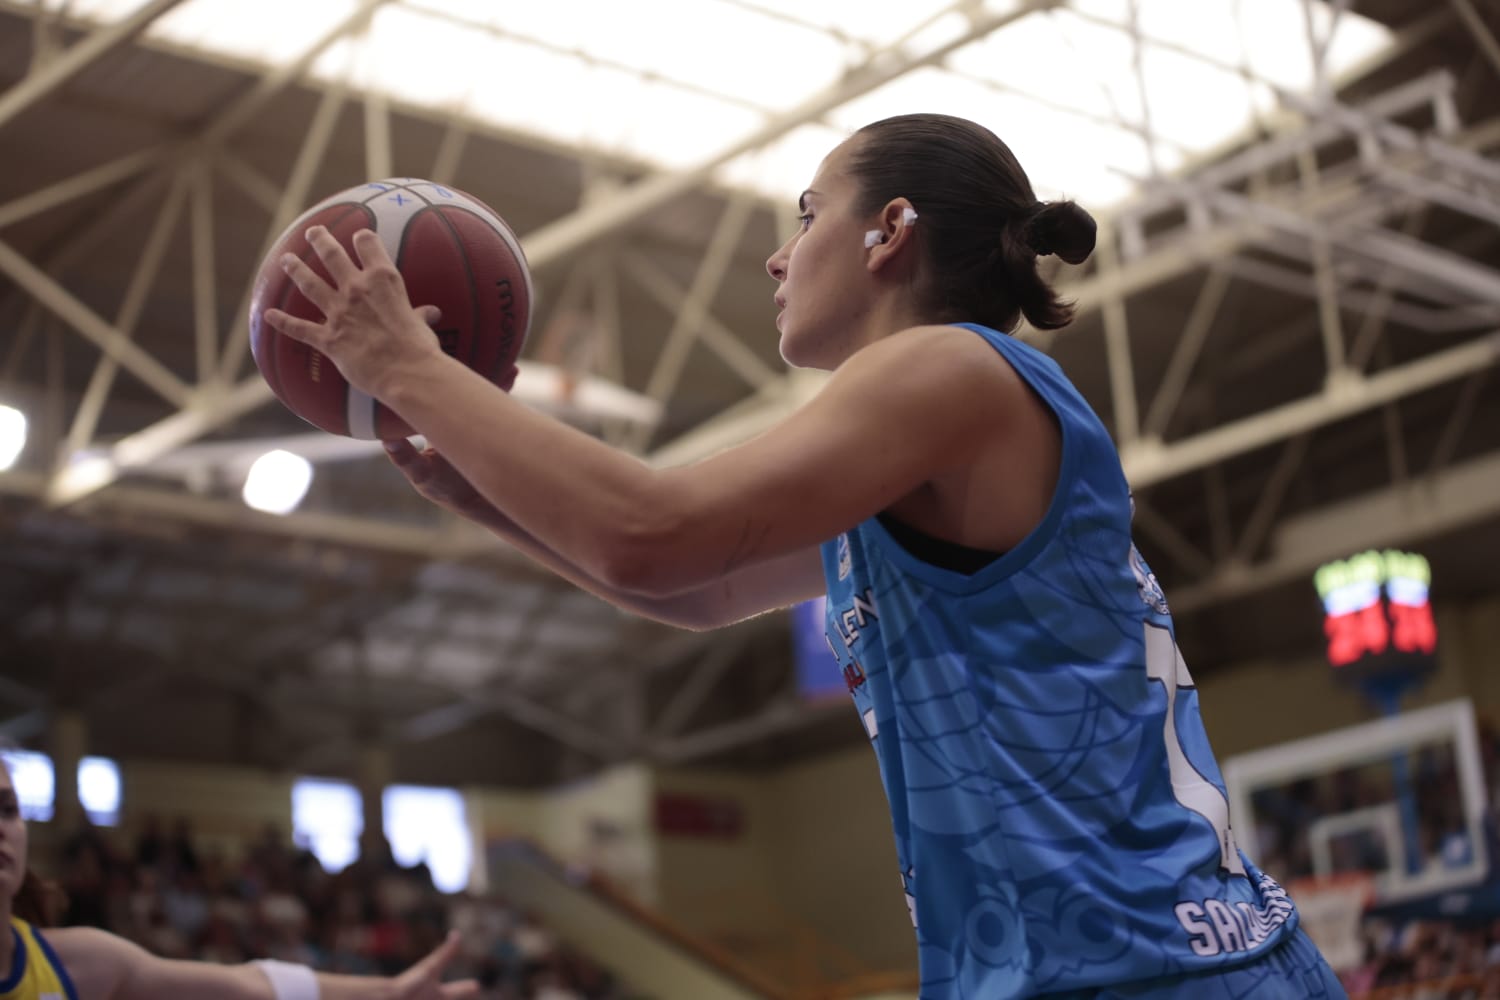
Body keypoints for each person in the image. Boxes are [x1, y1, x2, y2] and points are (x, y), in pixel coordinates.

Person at [265, 112, 1345, 998]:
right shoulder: (916, 444)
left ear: (891, 230)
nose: (778, 256)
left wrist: (408, 367)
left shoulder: (946, 370)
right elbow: (692, 589)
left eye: (807, 213)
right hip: (1135, 957)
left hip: (1146, 964)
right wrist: (486, 495)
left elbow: (652, 534)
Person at [0, 757, 476, 999]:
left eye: (7, 809)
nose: (1, 827)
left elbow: (250, 987)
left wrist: (389, 992)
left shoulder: (78, 963)